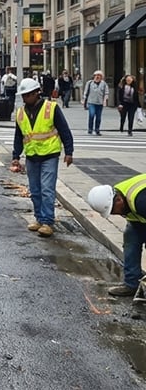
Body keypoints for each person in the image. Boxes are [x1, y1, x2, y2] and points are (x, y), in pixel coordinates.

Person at [11, 77, 74, 238]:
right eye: (23, 96)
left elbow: (64, 130)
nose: (25, 98)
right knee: (35, 190)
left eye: (27, 95)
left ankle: (47, 221)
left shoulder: (51, 108)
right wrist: (16, 156)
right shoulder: (20, 113)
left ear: (36, 93)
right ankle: (39, 218)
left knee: (47, 189)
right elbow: (19, 136)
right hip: (32, 155)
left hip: (49, 155)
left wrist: (69, 152)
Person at [86, 178, 146, 297]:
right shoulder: (118, 194)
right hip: (139, 217)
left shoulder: (141, 201)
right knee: (130, 237)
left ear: (118, 200)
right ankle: (131, 284)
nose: (115, 214)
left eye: (113, 211)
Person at [82, 69, 109, 135]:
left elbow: (106, 93)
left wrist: (105, 100)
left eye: (99, 75)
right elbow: (86, 92)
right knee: (92, 114)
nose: (97, 77)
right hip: (91, 102)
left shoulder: (104, 84)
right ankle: (90, 129)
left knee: (98, 117)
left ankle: (97, 129)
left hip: (100, 103)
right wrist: (84, 100)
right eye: (96, 75)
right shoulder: (89, 83)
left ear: (101, 77)